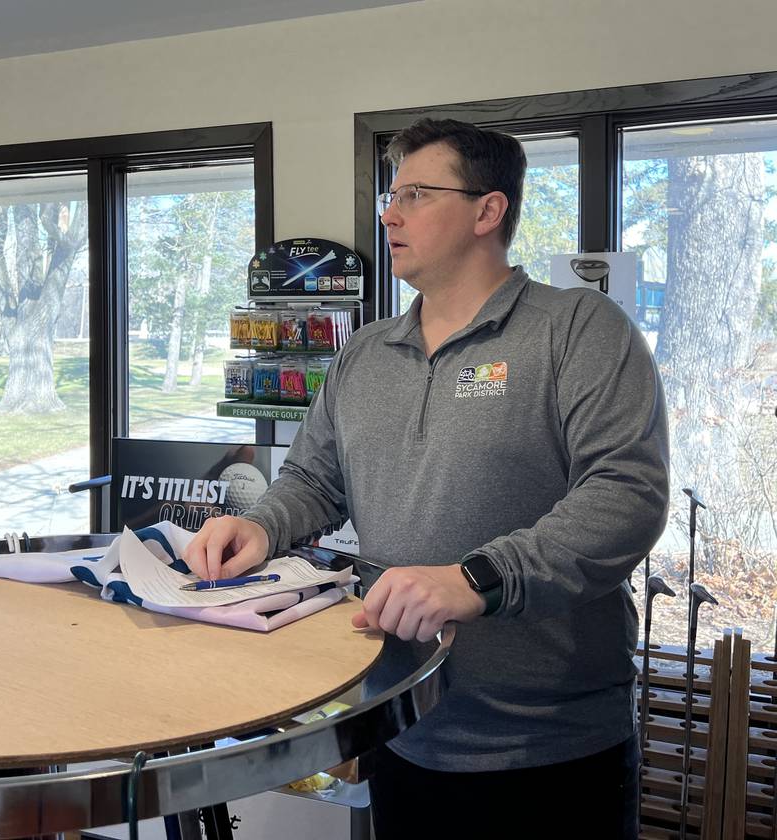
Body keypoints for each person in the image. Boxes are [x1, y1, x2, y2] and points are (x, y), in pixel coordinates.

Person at [184, 118, 670, 838]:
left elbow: (626, 496)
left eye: (414, 193)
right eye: (391, 193)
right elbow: (316, 479)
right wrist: (260, 526)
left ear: (487, 209)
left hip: (551, 748)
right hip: (402, 722)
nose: (388, 212)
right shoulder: (365, 353)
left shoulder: (579, 329)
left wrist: (474, 578)